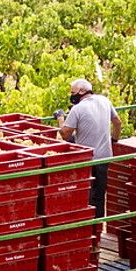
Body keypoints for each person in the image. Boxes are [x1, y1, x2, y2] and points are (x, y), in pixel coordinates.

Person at [55, 78, 121, 224]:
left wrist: (60, 118)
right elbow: (117, 122)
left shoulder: (77, 109)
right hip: (104, 156)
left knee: (86, 195)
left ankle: (87, 227)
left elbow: (65, 134)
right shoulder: (104, 100)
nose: (71, 96)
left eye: (73, 93)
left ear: (82, 91)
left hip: (87, 158)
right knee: (100, 195)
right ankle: (97, 228)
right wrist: (114, 140)